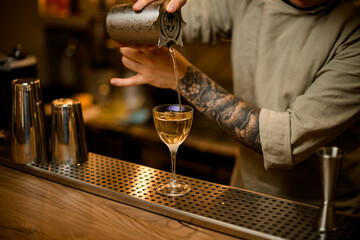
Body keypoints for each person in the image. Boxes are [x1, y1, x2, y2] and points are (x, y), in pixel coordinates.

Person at [110, 0, 360, 212]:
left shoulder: (353, 29)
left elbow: (287, 139)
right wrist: (146, 15)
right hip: (245, 197)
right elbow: (184, 18)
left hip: (321, 214)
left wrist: (185, 79)